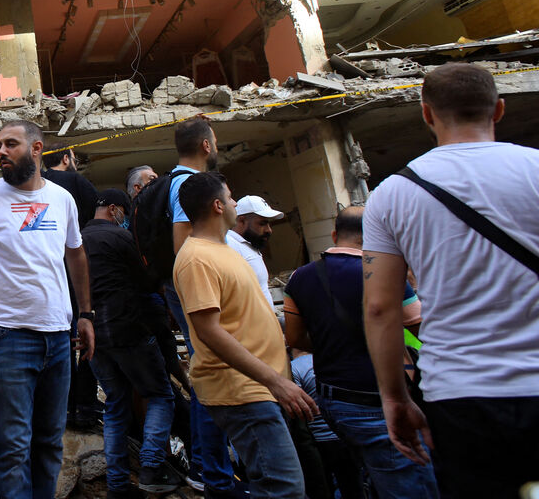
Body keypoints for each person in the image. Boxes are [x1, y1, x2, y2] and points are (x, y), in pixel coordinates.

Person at [362, 63, 539, 498]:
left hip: (459, 394)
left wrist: (395, 399)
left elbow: (380, 308)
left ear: (426, 114)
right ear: (498, 109)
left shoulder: (392, 193)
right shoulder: (535, 168)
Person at [0, 120, 95, 499]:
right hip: (5, 335)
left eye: (11, 144)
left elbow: (75, 254)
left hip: (58, 336)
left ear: (37, 149)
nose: (1, 151)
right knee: (12, 448)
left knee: (50, 443)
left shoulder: (62, 199)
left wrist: (86, 314)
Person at [174, 170, 313, 499]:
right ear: (218, 206)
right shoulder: (197, 259)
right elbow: (209, 331)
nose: (236, 203)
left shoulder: (224, 251)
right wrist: (275, 380)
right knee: (284, 489)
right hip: (243, 391)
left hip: (259, 388)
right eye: (232, 197)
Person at [284, 206, 436, 498]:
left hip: (333, 401)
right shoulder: (383, 273)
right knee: (409, 483)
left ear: (334, 235)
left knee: (374, 475)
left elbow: (295, 337)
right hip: (376, 401)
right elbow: (423, 328)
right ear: (376, 236)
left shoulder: (300, 278)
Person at [160, 116, 239, 497]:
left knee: (208, 377)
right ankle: (212, 473)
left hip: (189, 290)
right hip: (194, 291)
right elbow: (181, 246)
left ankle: (209, 467)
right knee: (210, 378)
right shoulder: (186, 185)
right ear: (206, 146)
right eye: (216, 141)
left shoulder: (178, 182)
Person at [84, 188, 179, 498]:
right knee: (160, 394)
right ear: (115, 209)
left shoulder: (75, 240)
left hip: (93, 335)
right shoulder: (121, 238)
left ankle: (117, 486)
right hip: (128, 327)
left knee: (115, 404)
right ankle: (152, 466)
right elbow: (147, 281)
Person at [41, 144, 101, 430]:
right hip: (76, 269)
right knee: (86, 337)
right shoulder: (77, 183)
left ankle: (62, 406)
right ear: (66, 158)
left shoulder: (38, 182)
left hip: (48, 274)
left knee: (59, 341)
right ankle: (86, 405)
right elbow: (91, 219)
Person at [290, 349, 364, 499]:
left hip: (318, 441)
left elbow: (297, 408)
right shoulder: (331, 359)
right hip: (343, 434)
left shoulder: (294, 368)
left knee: (323, 488)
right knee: (353, 487)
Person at [225, 195, 283, 309]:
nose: (269, 230)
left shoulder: (249, 245)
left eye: (268, 224)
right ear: (242, 220)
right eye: (262, 223)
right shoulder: (230, 245)